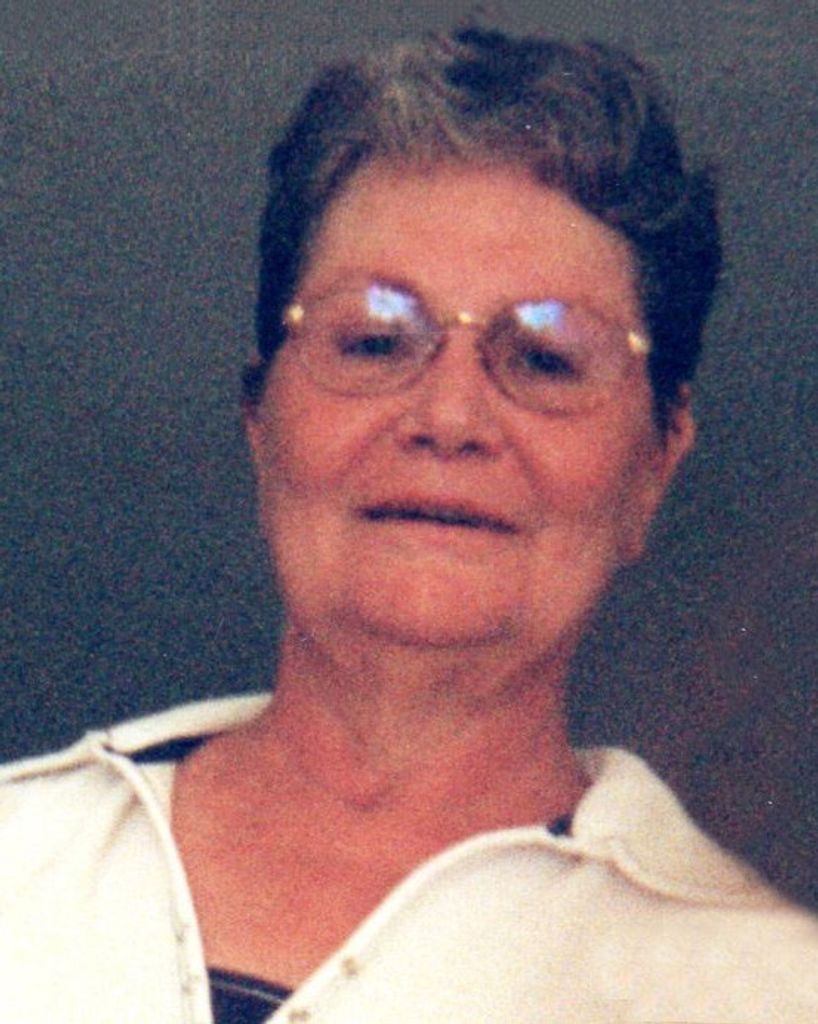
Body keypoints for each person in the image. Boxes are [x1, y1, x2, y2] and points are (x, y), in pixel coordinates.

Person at [1, 25, 816, 1024]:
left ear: (654, 464)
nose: (449, 417)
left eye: (546, 359)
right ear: (259, 417)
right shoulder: (17, 860)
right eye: (377, 340)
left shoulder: (766, 991)